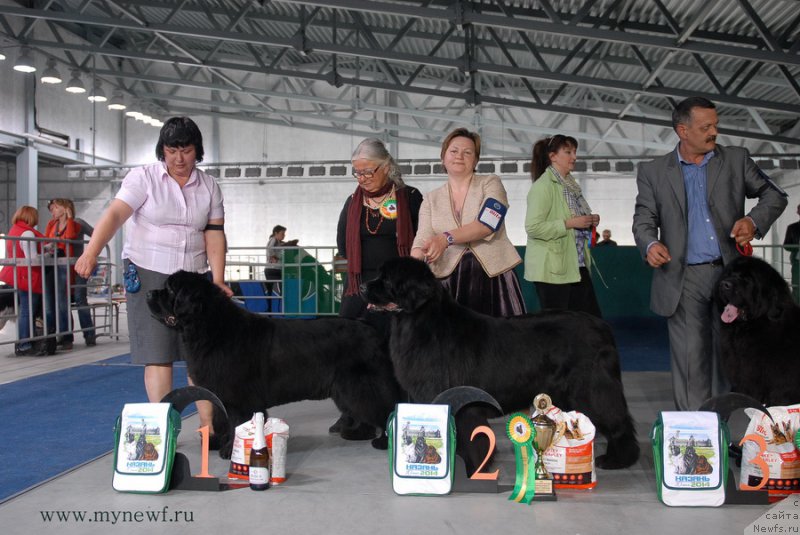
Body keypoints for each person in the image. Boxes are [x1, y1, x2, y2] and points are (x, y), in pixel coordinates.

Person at [75, 116, 232, 432]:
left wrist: (217, 279)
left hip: (194, 277)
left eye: (186, 150)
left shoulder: (209, 186)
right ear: (162, 150)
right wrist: (91, 252)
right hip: (149, 271)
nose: (179, 159)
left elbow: (214, 233)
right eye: (171, 151)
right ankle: (165, 430)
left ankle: (209, 426)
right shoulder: (142, 178)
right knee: (158, 354)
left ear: (197, 151)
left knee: (200, 354)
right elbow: (115, 214)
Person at [632, 96, 787, 411]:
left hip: (731, 276)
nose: (714, 132)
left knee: (726, 353)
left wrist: (753, 221)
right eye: (705, 127)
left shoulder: (736, 159)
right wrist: (650, 244)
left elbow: (775, 195)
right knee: (690, 358)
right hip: (682, 277)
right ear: (683, 131)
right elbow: (643, 219)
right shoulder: (653, 171)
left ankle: (721, 421)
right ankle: (694, 427)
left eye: (715, 125)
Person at [332, 137, 423, 436]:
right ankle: (354, 413)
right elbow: (342, 245)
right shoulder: (352, 202)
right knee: (349, 346)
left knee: (395, 349)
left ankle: (397, 413)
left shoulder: (410, 197)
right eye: (357, 172)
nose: (362, 178)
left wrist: (392, 290)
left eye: (368, 171)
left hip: (395, 286)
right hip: (360, 285)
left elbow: (420, 241)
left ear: (386, 167)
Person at [411, 128, 525, 317]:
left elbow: (487, 224)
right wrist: (408, 272)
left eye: (467, 152)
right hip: (448, 280)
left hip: (495, 278)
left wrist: (445, 238)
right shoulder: (431, 199)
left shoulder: (491, 183)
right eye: (454, 151)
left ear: (476, 160)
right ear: (443, 157)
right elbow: (422, 239)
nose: (459, 156)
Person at [524, 135, 603, 317]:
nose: (574, 157)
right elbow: (533, 228)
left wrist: (589, 220)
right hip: (553, 270)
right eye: (568, 152)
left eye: (574, 152)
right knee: (560, 325)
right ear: (553, 156)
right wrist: (570, 223)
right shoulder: (542, 186)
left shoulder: (571, 185)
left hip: (575, 263)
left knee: (589, 322)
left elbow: (574, 219)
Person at [0, 206, 52, 356]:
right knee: (27, 311)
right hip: (27, 277)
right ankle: (25, 344)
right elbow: (33, 260)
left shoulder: (14, 230)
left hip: (17, 276)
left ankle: (24, 343)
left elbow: (22, 251)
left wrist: (44, 248)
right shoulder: (28, 233)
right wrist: (49, 255)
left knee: (24, 311)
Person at [44, 198, 83, 351]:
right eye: (52, 208)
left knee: (62, 301)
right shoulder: (51, 224)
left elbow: (71, 235)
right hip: (51, 263)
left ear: (65, 208)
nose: (52, 211)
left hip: (64, 265)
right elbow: (45, 240)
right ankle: (51, 336)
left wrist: (70, 217)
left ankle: (66, 337)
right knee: (49, 301)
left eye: (56, 207)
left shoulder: (74, 224)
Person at [264, 225, 297, 296]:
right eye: (282, 233)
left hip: (273, 269)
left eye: (284, 233)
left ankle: (272, 302)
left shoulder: (277, 242)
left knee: (273, 290)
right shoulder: (274, 239)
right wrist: (273, 257)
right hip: (273, 269)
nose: (284, 235)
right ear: (276, 233)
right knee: (279, 288)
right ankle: (278, 302)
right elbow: (269, 248)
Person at [783, 204, 800, 302]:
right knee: (797, 287)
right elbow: (786, 245)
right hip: (798, 262)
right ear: (798, 212)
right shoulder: (792, 228)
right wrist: (797, 247)